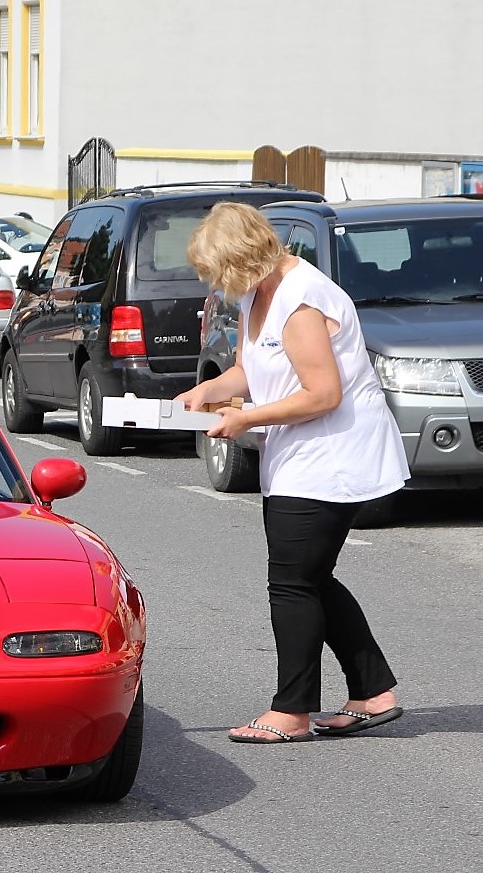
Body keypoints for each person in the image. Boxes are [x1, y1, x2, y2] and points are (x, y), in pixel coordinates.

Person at [175, 202, 408, 744]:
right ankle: (372, 690)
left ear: (243, 255)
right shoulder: (261, 293)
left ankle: (292, 710)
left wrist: (245, 418)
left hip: (331, 459)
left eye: (219, 271)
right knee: (309, 577)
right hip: (301, 459)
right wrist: (209, 392)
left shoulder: (303, 299)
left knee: (293, 582)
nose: (218, 284)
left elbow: (323, 393)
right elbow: (249, 369)